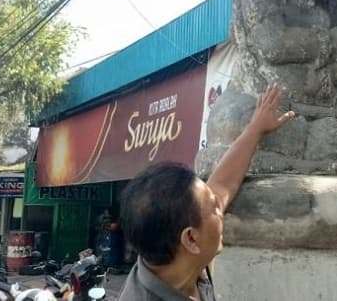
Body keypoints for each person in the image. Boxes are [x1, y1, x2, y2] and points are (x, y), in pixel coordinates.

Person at [118, 85, 294, 301]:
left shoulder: (177, 263)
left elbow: (222, 185)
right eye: (214, 209)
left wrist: (255, 128)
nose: (220, 209)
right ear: (191, 238)